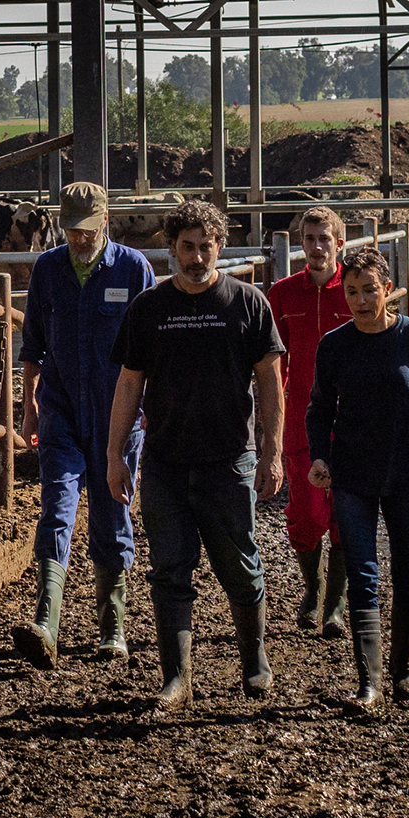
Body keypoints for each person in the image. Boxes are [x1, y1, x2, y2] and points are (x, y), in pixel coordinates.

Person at [103, 198, 285, 706]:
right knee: (169, 571)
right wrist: (116, 453)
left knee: (241, 566)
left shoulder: (247, 303)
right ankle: (177, 677)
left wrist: (272, 451)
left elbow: (270, 382)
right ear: (172, 248)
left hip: (228, 460)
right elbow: (128, 384)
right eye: (187, 247)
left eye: (206, 247)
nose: (197, 257)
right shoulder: (149, 307)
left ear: (220, 247)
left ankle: (254, 662)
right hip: (164, 463)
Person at [305, 243, 409, 710]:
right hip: (353, 475)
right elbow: (318, 410)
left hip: (407, 472)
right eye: (352, 291)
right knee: (362, 575)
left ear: (390, 290)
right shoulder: (334, 346)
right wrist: (320, 457)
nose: (360, 301)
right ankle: (369, 681)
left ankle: (405, 669)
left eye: (370, 291)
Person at [12, 179, 158, 669]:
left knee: (112, 511)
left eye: (88, 230)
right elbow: (32, 343)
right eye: (72, 230)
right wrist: (29, 405)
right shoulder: (48, 269)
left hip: (118, 414)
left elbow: (151, 348)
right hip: (62, 407)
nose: (79, 239)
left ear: (106, 222)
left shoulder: (134, 269)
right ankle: (45, 622)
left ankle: (111, 625)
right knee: (58, 503)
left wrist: (150, 411)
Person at [266, 205, 354, 638]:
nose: (316, 247)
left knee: (344, 510)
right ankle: (313, 587)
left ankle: (336, 602)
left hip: (349, 418)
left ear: (340, 243)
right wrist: (272, 421)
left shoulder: (354, 292)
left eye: (325, 239)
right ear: (301, 244)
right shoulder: (282, 293)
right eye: (309, 239)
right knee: (304, 511)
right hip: (299, 416)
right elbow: (272, 364)